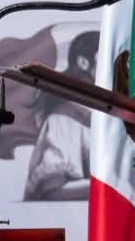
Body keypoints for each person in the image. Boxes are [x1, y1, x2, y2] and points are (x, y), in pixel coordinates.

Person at [24, 29, 100, 201]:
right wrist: (115, 187)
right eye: (108, 56)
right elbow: (52, 190)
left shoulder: (109, 117)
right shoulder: (63, 120)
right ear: (83, 62)